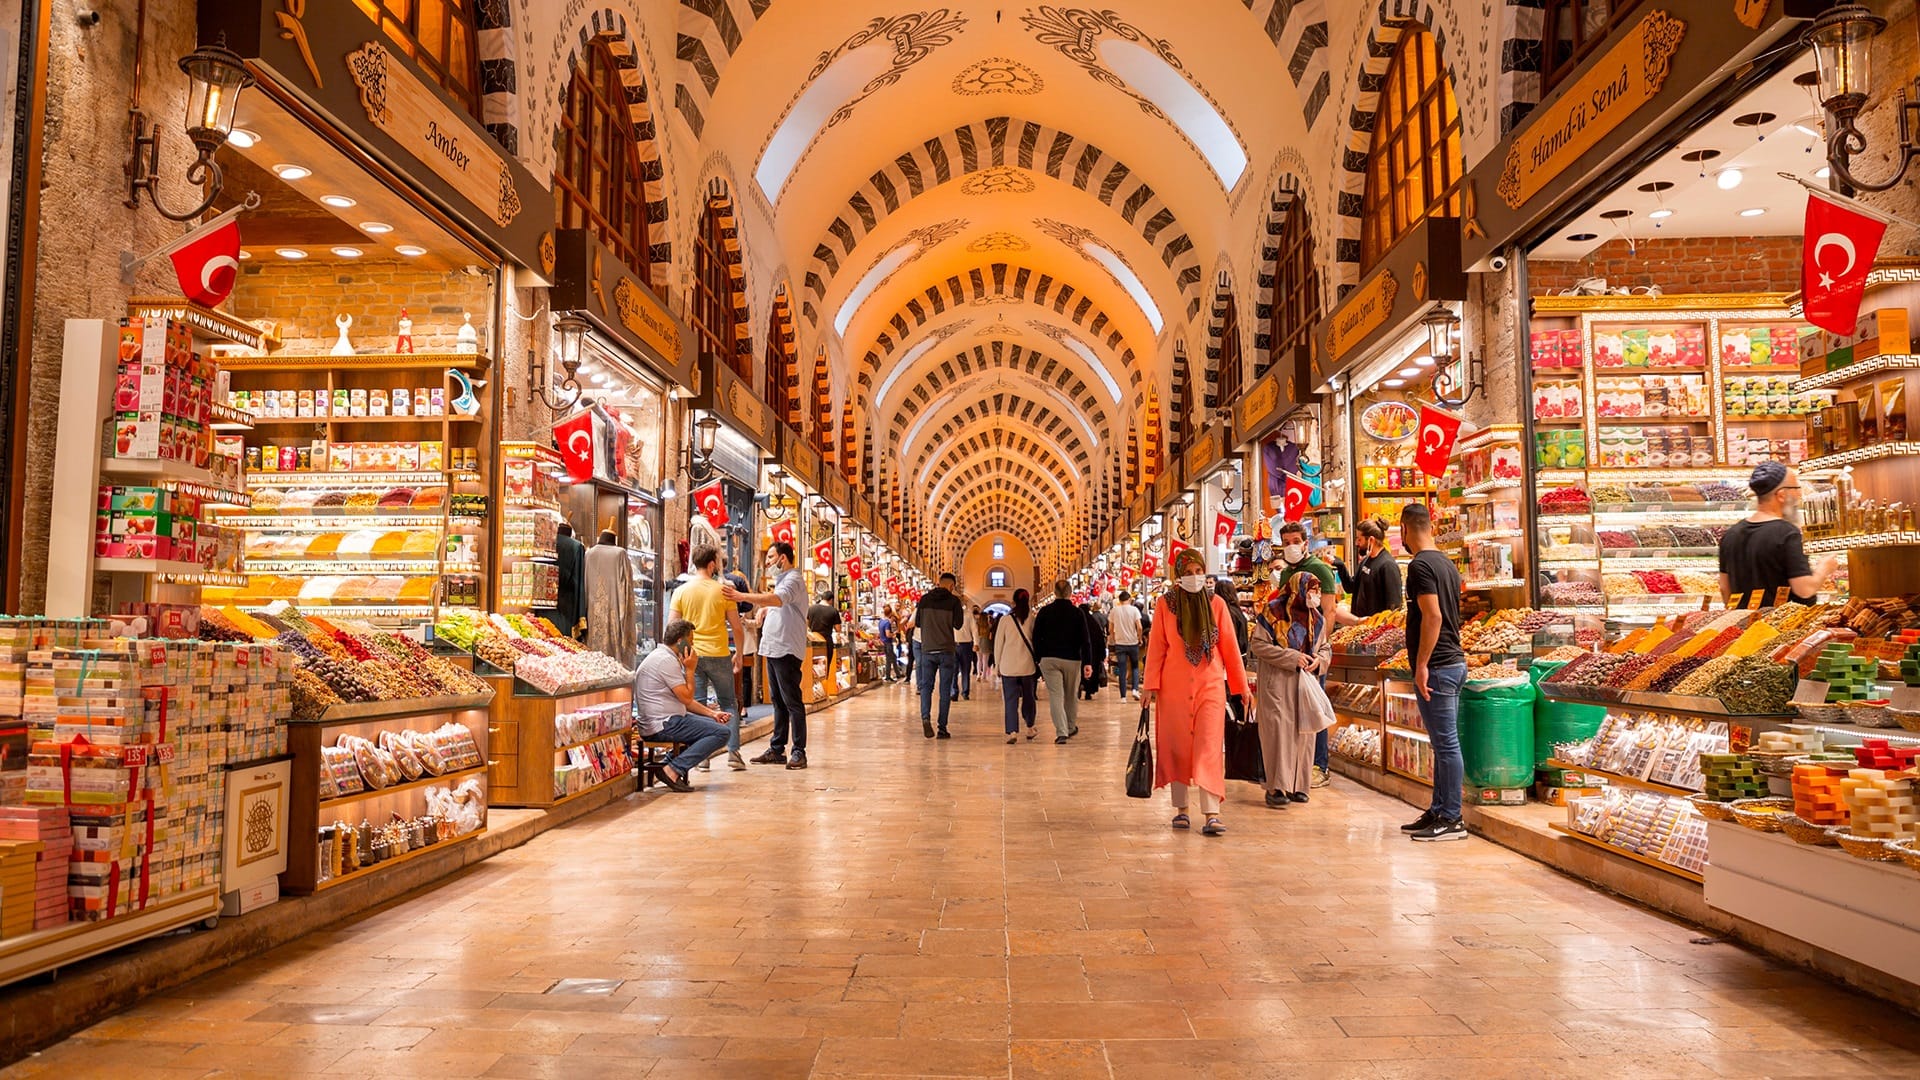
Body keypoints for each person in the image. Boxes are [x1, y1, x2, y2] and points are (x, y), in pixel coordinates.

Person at [1145, 547, 1250, 837]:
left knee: (1208, 746)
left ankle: (1211, 814)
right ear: (1178, 576)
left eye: (1198, 572)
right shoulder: (1165, 606)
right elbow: (1157, 648)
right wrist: (1149, 686)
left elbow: (1229, 648)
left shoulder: (1216, 604)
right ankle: (1181, 809)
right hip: (1173, 689)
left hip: (1211, 686)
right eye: (1188, 573)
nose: (1194, 578)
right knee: (1177, 746)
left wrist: (1241, 687)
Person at [1399, 504, 1468, 842]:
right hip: (1451, 662)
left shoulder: (1420, 566)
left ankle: (1452, 818)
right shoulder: (1446, 564)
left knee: (1446, 744)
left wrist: (1422, 664)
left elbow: (1434, 616)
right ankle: (1439, 810)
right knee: (1443, 745)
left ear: (1404, 529)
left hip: (1439, 665)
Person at [725, 541, 809, 770]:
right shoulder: (782, 581)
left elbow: (778, 599)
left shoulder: (793, 579)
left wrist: (742, 596)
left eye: (771, 557)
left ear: (783, 558)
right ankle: (777, 748)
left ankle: (799, 751)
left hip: (786, 649)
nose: (768, 562)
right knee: (778, 702)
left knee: (792, 702)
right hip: (773, 648)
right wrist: (765, 609)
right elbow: (777, 604)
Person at [1250, 572, 1330, 808]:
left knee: (1305, 735)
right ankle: (1276, 787)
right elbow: (1259, 645)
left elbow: (1325, 646)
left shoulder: (1317, 619)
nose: (1315, 595)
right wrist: (1291, 656)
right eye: (1311, 589)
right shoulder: (1273, 612)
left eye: (1317, 590)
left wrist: (1320, 661)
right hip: (1278, 682)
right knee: (1278, 735)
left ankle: (1299, 786)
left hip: (1306, 683)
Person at [667, 544, 747, 771]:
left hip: (693, 655)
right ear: (712, 564)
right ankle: (733, 753)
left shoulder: (681, 591)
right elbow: (737, 627)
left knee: (698, 704)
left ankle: (702, 758)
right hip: (719, 653)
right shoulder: (723, 591)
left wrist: (681, 653)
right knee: (728, 703)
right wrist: (739, 653)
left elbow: (672, 626)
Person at [1274, 520, 1341, 789]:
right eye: (1286, 542)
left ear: (1306, 542)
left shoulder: (1320, 570)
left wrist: (1318, 649)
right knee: (1292, 709)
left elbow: (1330, 612)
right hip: (1290, 653)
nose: (1291, 547)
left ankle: (1319, 765)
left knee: (1315, 707)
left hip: (1312, 653)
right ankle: (1297, 764)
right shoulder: (1284, 574)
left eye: (1295, 541)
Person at [1719, 461, 1839, 608]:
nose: (1799, 494)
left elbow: (1725, 590)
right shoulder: (1788, 534)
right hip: (1783, 626)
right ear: (1781, 495)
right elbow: (1804, 589)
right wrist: (1824, 568)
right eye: (1796, 488)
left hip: (1744, 626)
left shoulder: (1730, 535)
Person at [633, 618, 734, 792]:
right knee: (722, 733)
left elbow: (684, 702)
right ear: (681, 641)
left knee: (714, 725)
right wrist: (690, 670)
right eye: (691, 641)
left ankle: (668, 764)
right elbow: (687, 698)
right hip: (663, 724)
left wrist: (713, 714)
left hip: (669, 719)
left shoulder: (663, 657)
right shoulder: (665, 661)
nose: (693, 646)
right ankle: (673, 769)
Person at [1032, 580, 1092, 744]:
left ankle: (1061, 732)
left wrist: (1039, 658)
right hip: (1072, 659)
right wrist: (1088, 662)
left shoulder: (1044, 612)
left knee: (1056, 696)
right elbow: (1085, 640)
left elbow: (1036, 637)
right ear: (1070, 593)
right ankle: (1071, 726)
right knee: (1071, 695)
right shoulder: (1077, 613)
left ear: (1054, 593)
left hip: (1049, 659)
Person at [907, 573, 966, 738]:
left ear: (938, 583)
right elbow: (958, 625)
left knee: (926, 687)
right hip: (946, 650)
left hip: (928, 649)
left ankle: (925, 718)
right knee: (945, 690)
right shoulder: (954, 602)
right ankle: (942, 728)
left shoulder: (924, 600)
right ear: (952, 586)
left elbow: (917, 623)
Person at [992, 588, 1040, 744]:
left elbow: (999, 644)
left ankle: (1012, 731)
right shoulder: (1032, 619)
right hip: (1027, 666)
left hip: (1008, 666)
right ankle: (1030, 727)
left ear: (1013, 602)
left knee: (1010, 700)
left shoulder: (1005, 620)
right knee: (1029, 699)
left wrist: (997, 665)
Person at [583, 530, 635, 665]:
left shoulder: (589, 554)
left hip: (592, 616)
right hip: (615, 613)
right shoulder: (620, 554)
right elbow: (627, 593)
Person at [1336, 518, 1404, 621]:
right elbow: (1351, 587)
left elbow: (1394, 607)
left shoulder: (1388, 566)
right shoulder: (1366, 561)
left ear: (1371, 540)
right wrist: (1340, 566)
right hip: (1362, 628)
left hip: (1376, 631)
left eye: (1359, 539)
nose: (1356, 543)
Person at [1214, 577, 1250, 729]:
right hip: (1241, 659)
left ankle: (1231, 730)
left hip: (1229, 663)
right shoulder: (1239, 613)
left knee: (1228, 699)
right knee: (1237, 699)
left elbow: (1228, 641)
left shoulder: (1226, 613)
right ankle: (1237, 728)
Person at [552, 523, 587, 637]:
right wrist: (580, 613)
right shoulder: (576, 547)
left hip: (544, 605)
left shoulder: (548, 542)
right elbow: (579, 583)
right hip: (567, 606)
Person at [1108, 589, 1143, 700]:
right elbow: (1140, 626)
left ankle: (1123, 696)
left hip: (1120, 643)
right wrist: (1140, 638)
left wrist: (1114, 639)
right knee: (1135, 667)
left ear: (1119, 600)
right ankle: (1135, 689)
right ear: (1129, 599)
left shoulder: (1114, 611)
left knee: (1122, 669)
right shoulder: (1134, 610)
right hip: (1133, 642)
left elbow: (1110, 629)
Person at [1078, 600, 1107, 700]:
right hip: (1093, 655)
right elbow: (1100, 639)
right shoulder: (1093, 623)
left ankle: (1079, 686)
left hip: (1078, 654)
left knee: (1079, 671)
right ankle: (1088, 692)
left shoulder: (1077, 622)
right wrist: (1102, 654)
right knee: (1091, 673)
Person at [807, 589, 842, 672]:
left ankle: (814, 684)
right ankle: (825, 683)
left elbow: (807, 623)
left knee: (812, 666)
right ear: (831, 600)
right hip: (826, 640)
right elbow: (838, 629)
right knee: (825, 666)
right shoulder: (833, 611)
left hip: (813, 640)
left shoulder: (811, 608)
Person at [952, 600, 977, 701]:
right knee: (953, 670)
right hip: (953, 644)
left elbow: (974, 629)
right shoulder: (950, 614)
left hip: (966, 645)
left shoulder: (968, 614)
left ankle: (965, 692)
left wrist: (976, 643)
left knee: (965, 670)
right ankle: (954, 692)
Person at [877, 608, 899, 681]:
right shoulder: (887, 623)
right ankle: (888, 676)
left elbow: (880, 633)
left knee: (892, 657)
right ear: (890, 613)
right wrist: (894, 633)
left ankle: (898, 674)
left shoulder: (880, 621)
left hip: (883, 642)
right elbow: (888, 634)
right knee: (889, 660)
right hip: (888, 643)